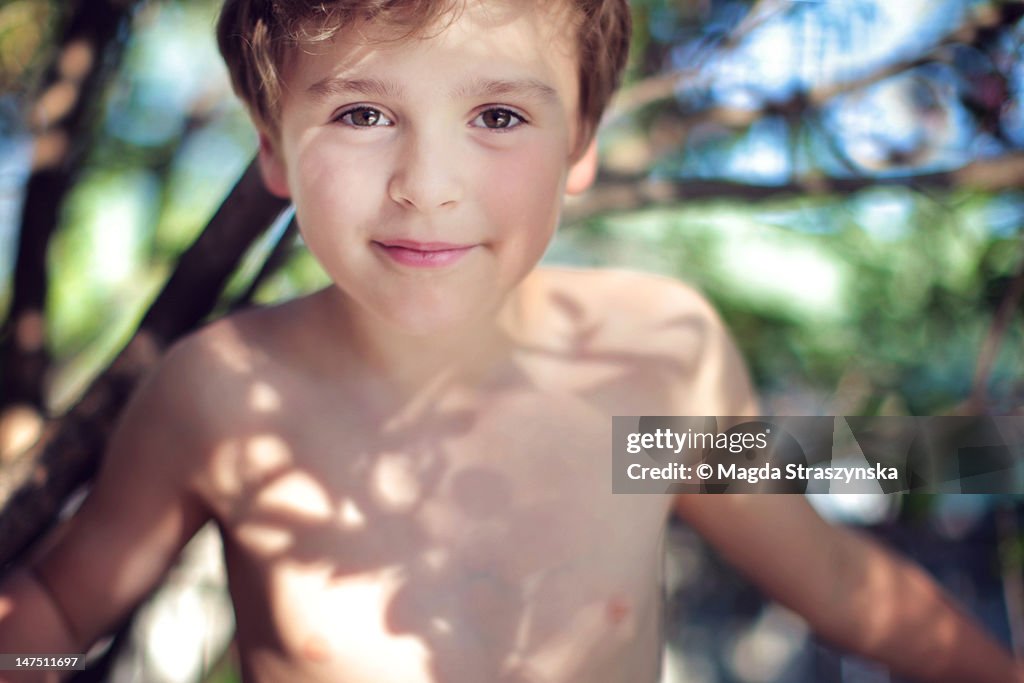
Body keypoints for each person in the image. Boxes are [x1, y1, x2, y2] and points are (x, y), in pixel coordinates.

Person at [0, 1, 1021, 681]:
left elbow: (839, 579)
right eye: (361, 111)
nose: (426, 183)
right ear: (272, 142)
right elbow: (55, 608)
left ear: (579, 141)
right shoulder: (227, 395)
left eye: (495, 113)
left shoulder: (646, 367)